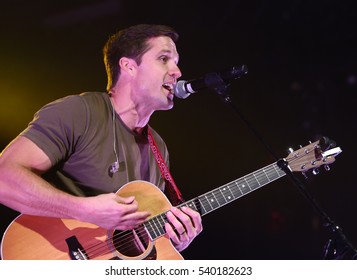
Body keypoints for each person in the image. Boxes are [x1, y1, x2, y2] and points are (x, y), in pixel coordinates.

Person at [0, 24, 202, 258]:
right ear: (129, 66)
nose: (177, 71)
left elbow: (136, 237)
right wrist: (83, 210)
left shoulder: (158, 147)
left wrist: (174, 239)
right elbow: (4, 178)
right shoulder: (79, 113)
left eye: (176, 61)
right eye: (164, 59)